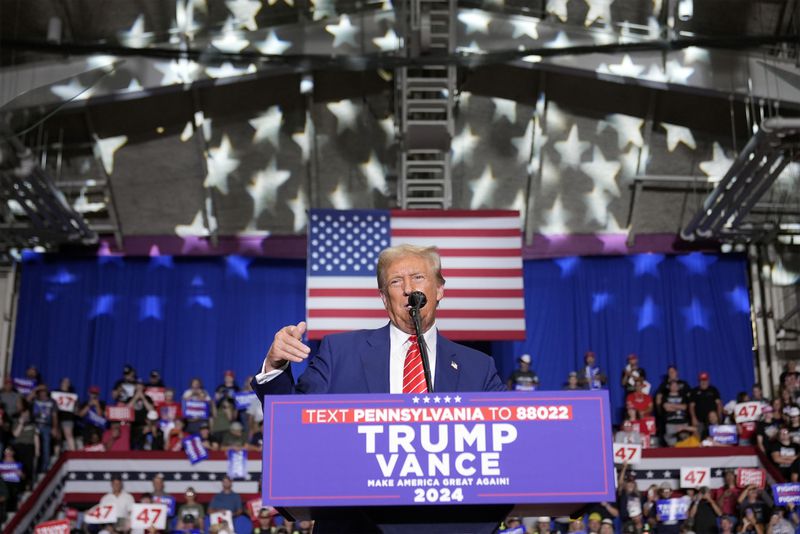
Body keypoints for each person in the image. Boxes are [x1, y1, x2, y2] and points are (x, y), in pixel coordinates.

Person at [253, 244, 505, 396]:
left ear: (439, 290)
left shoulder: (479, 368)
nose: (408, 289)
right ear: (385, 298)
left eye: (418, 277)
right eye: (396, 282)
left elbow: (512, 430)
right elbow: (292, 417)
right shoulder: (339, 353)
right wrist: (274, 367)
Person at [689, 372, 723, 437]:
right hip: (699, 420)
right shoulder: (694, 391)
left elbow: (719, 404)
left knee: (715, 437)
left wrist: (719, 415)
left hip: (712, 420)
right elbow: (691, 406)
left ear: (708, 380)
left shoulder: (713, 390)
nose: (703, 382)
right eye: (702, 380)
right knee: (699, 437)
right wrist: (693, 418)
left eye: (705, 380)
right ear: (699, 381)